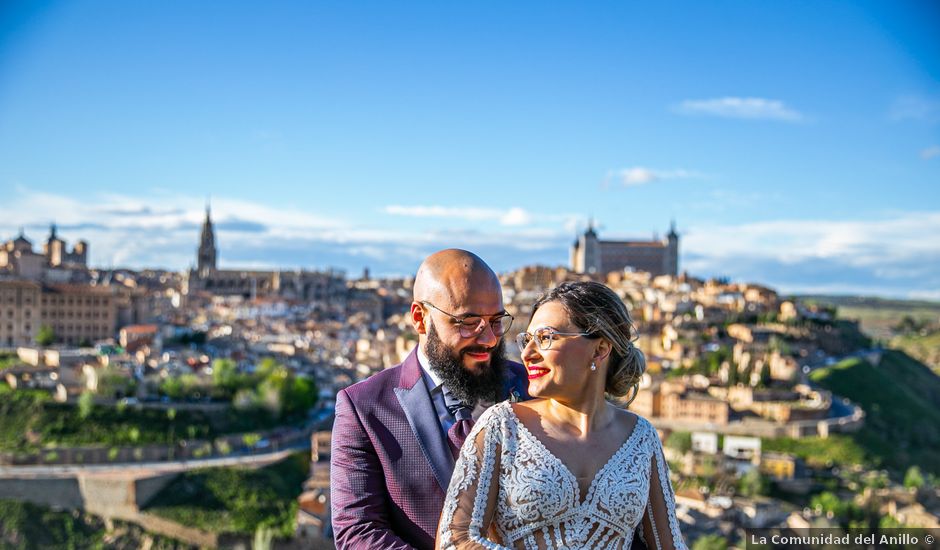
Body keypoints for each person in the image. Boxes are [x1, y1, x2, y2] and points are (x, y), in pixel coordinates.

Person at [437, 281, 687, 550]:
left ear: (600, 349)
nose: (527, 354)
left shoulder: (641, 437)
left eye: (546, 338)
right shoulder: (501, 426)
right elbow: (454, 540)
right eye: (527, 340)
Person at [331, 249, 530, 550]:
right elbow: (357, 531)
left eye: (496, 321)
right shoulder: (363, 408)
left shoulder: (533, 387)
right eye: (468, 321)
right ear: (420, 319)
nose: (488, 338)